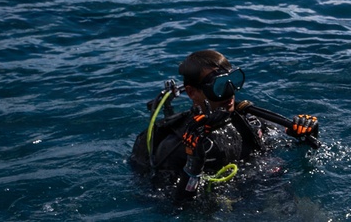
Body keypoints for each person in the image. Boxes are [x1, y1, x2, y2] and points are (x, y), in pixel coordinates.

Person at [129, 49, 319, 201]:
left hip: (274, 193)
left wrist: (307, 134)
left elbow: (296, 150)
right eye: (218, 86)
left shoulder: (250, 121)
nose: (229, 93)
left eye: (232, 82)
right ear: (192, 92)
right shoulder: (177, 145)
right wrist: (193, 165)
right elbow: (176, 206)